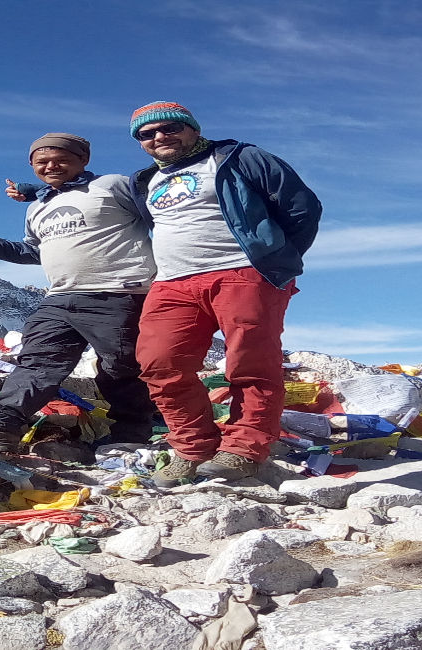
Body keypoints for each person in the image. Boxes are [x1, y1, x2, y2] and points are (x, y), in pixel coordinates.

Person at [125, 102, 322, 487]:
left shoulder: (238, 157)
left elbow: (301, 207)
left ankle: (244, 448)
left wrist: (274, 257)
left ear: (192, 129)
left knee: (250, 362)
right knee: (159, 363)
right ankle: (192, 448)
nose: (160, 137)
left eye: (170, 128)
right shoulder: (146, 180)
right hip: (172, 282)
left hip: (242, 273)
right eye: (147, 134)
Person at [0, 133, 157, 449]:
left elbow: (164, 213)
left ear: (83, 160)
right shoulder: (38, 207)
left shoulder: (113, 186)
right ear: (32, 166)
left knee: (121, 366)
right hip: (59, 297)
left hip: (118, 293)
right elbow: (30, 251)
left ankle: (133, 434)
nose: (52, 166)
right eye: (42, 162)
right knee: (37, 361)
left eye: (61, 159)